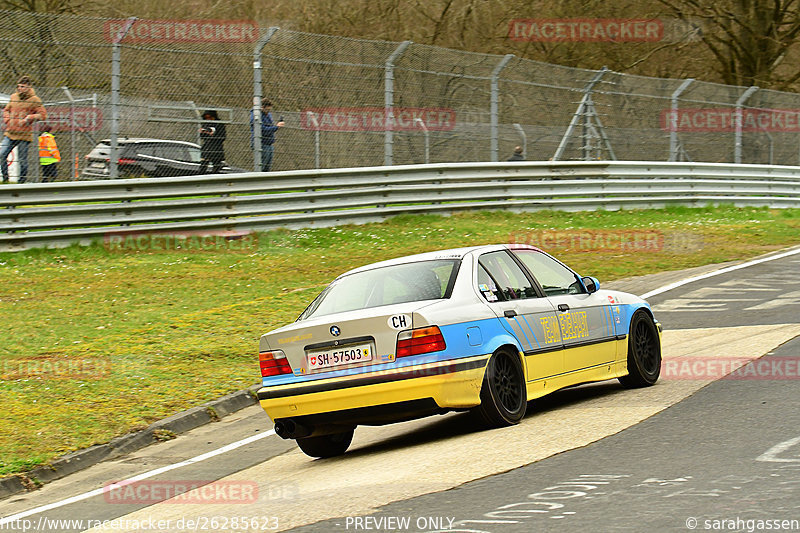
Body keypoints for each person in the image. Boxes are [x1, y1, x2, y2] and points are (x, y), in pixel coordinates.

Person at [1, 75, 47, 183]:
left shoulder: (34, 99)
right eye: (18, 86)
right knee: (2, 155)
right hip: (10, 133)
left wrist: (29, 118)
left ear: (29, 87)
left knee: (22, 160)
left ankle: (22, 181)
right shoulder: (13, 97)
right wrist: (7, 119)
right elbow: (6, 110)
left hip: (24, 135)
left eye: (22, 86)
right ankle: (5, 179)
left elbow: (43, 115)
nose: (20, 89)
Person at [250, 100, 284, 171]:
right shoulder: (256, 115)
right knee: (261, 167)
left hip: (269, 143)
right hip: (262, 143)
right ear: (262, 107)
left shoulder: (267, 115)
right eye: (267, 109)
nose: (268, 111)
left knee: (267, 168)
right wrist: (276, 127)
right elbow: (262, 130)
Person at [198, 109, 226, 174]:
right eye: (207, 118)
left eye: (210, 117)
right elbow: (202, 136)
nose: (209, 119)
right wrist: (204, 132)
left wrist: (213, 135)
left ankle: (215, 175)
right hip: (207, 147)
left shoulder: (219, 124)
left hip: (216, 147)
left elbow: (223, 137)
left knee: (216, 165)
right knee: (203, 164)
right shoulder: (205, 124)